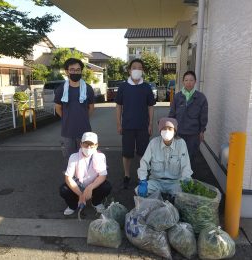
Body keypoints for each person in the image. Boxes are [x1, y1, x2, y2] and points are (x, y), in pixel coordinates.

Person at [115, 58, 156, 189]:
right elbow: (118, 106)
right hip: (127, 126)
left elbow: (150, 106)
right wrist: (118, 123)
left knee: (143, 153)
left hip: (143, 126)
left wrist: (150, 124)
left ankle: (142, 175)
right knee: (127, 153)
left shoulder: (147, 87)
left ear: (142, 71)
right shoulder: (123, 87)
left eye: (139, 68)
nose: (137, 70)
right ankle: (127, 175)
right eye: (134, 67)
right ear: (129, 70)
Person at [136, 117, 193, 197]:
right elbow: (144, 161)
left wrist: (186, 180)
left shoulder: (181, 143)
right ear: (160, 131)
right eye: (164, 128)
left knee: (185, 195)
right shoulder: (153, 143)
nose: (167, 131)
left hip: (175, 183)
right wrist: (143, 181)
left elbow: (186, 165)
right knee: (138, 190)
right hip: (156, 182)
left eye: (170, 129)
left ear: (175, 131)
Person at [59, 132, 112, 216]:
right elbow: (68, 178)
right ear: (81, 144)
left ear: (97, 145)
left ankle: (96, 202)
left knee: (107, 187)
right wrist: (80, 194)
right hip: (78, 185)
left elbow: (103, 176)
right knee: (63, 190)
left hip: (93, 185)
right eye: (86, 144)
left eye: (92, 145)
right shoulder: (73, 157)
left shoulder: (100, 156)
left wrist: (90, 188)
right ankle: (73, 205)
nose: (88, 147)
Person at [54, 58, 95, 163]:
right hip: (67, 132)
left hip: (85, 131)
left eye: (78, 69)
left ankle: (83, 179)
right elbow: (58, 108)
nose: (75, 72)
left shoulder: (88, 89)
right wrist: (67, 118)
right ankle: (71, 179)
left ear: (81, 71)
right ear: (67, 72)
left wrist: (82, 117)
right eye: (72, 69)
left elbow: (91, 108)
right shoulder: (61, 89)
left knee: (85, 159)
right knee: (70, 160)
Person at [168, 70, 208, 169]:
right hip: (179, 132)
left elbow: (203, 116)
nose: (189, 82)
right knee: (177, 156)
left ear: (195, 81)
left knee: (191, 157)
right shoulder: (177, 97)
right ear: (183, 82)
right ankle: (177, 178)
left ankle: (188, 179)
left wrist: (202, 131)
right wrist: (170, 130)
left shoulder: (201, 97)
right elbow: (172, 114)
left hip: (193, 134)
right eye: (186, 80)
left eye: (191, 80)